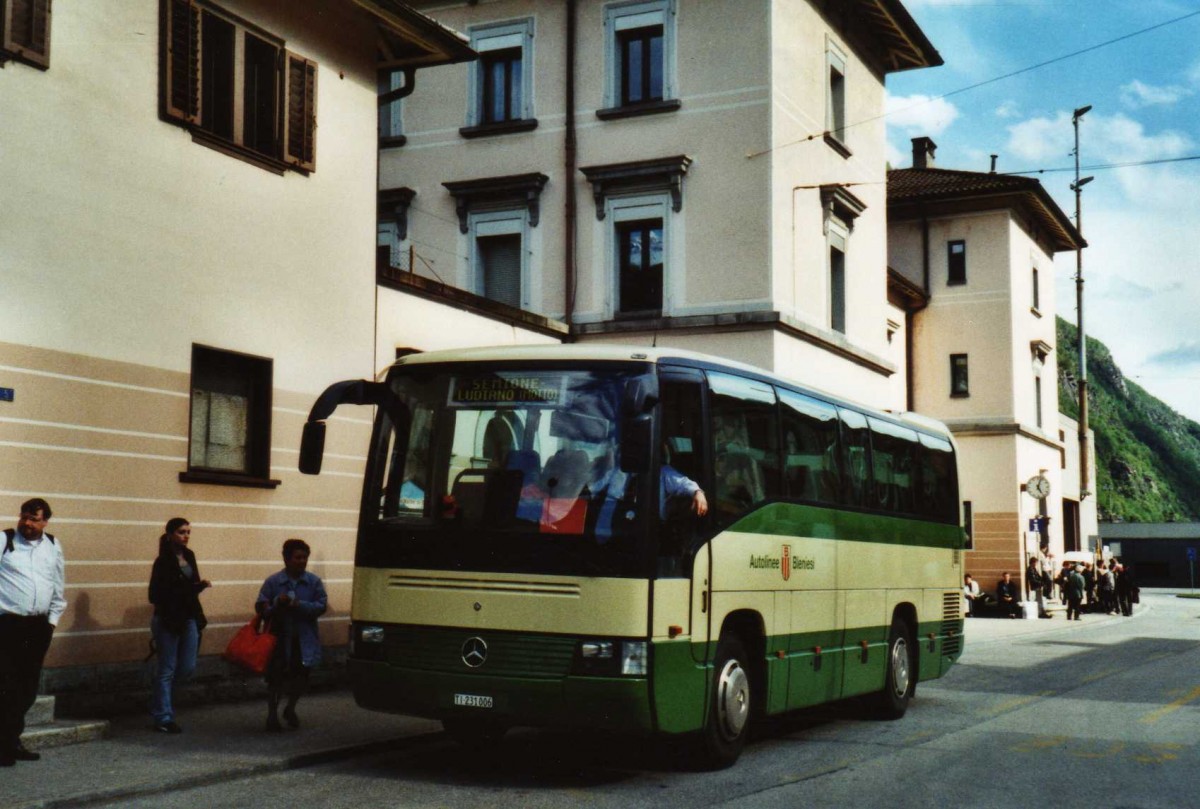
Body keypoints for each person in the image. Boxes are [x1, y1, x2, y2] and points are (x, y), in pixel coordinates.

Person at [0, 498, 66, 765]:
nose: (27, 523)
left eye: (34, 519)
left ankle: (12, 741)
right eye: (24, 517)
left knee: (26, 690)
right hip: (8, 625)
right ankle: (3, 746)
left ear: (45, 521)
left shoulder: (53, 545)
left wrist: (51, 622)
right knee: (5, 686)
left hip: (38, 627)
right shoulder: (5, 540)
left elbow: (58, 586)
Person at [256, 539, 328, 732]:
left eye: (305, 557)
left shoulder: (313, 582)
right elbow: (261, 607)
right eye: (298, 557)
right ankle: (272, 715)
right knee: (276, 678)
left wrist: (300, 605)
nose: (302, 561)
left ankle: (290, 708)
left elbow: (321, 606)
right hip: (278, 638)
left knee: (301, 677)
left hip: (303, 638)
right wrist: (275, 603)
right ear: (286, 559)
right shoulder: (273, 581)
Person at [148, 517, 211, 734]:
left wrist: (199, 586)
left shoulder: (189, 555)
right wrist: (185, 590)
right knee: (166, 668)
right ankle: (163, 716)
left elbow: (191, 586)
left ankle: (160, 701)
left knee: (187, 667)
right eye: (181, 532)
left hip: (189, 616)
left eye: (188, 532)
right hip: (168, 619)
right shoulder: (162, 561)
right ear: (170, 535)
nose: (185, 536)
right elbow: (154, 595)